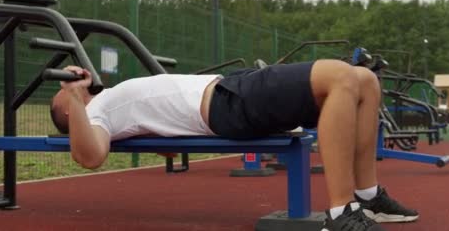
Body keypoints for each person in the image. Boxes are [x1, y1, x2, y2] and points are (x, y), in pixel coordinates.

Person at [50, 60, 419, 231]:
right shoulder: (95, 115)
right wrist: (74, 97)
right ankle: (341, 213)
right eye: (64, 94)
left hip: (230, 90)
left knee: (365, 80)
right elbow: (89, 155)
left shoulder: (107, 105)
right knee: (341, 76)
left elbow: (162, 140)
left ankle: (367, 194)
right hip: (227, 102)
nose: (74, 85)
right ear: (67, 112)